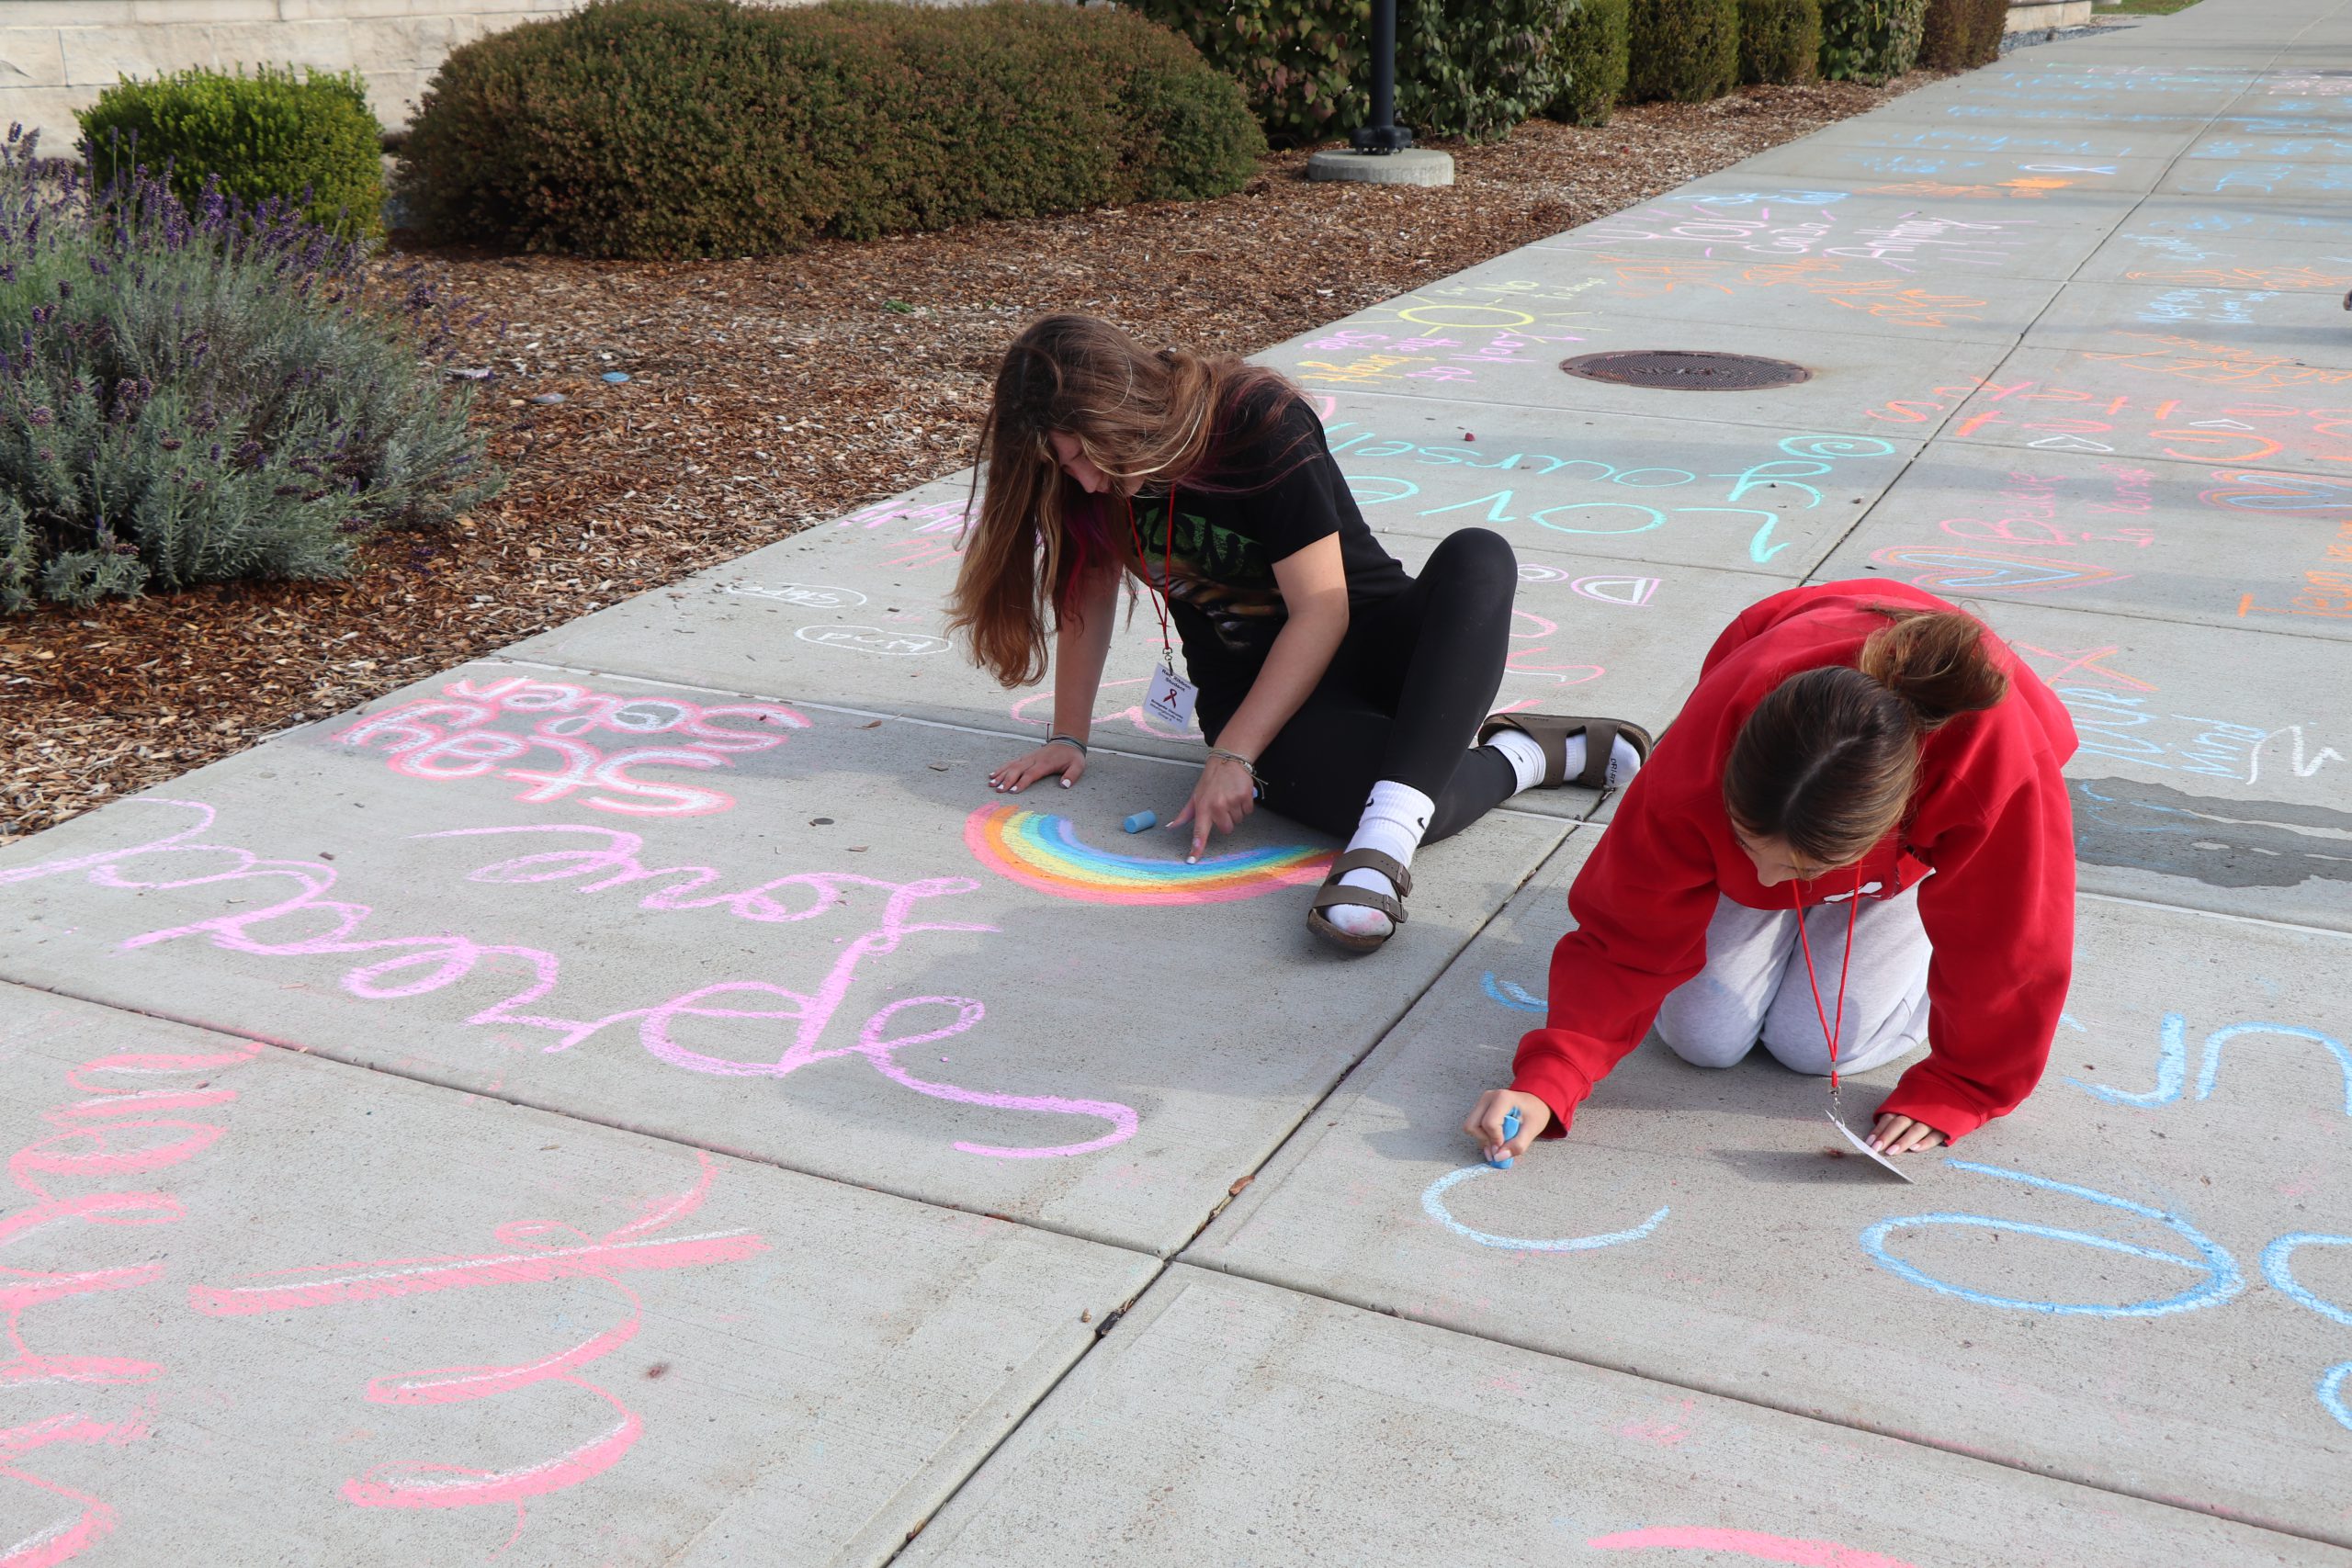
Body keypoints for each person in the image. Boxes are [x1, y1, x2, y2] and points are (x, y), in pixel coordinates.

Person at [946, 314, 1653, 952]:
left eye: (1081, 455)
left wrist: (1232, 755)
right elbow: (1088, 590)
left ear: (1122, 411)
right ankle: (1527, 755)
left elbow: (1323, 610)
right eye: (1064, 464)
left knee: (1480, 558)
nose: (1085, 481)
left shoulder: (1252, 419)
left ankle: (1380, 856)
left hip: (1372, 640)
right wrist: (1070, 735)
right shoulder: (1087, 483)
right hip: (1262, 694)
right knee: (1414, 796)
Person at [1463, 581, 2077, 1160]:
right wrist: (1552, 1076)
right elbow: (1627, 925)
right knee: (1702, 1036)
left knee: (1820, 1045)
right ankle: (1786, 856)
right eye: (1749, 845)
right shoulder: (1703, 752)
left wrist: (1965, 1083)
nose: (1761, 886)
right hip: (1805, 801)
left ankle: (1879, 896)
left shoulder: (1992, 765)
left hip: (1902, 854)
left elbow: (2012, 942)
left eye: (1797, 867)